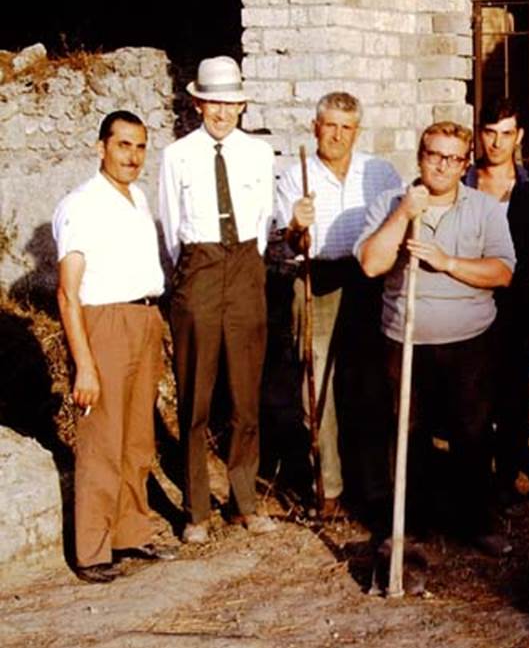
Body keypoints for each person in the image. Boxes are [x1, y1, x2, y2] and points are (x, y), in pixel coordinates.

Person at [354, 121, 516, 555]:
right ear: (420, 156)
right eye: (433, 155)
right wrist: (404, 214)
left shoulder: (484, 208)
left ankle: (477, 520)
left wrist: (447, 263)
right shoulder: (391, 203)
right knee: (408, 432)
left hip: (469, 341)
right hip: (404, 339)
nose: (442, 165)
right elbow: (371, 264)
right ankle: (412, 523)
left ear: (465, 164)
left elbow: (502, 272)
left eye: (453, 158)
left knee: (473, 431)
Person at [54, 111, 178, 583]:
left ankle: (130, 533)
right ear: (101, 146)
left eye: (141, 146)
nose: (132, 156)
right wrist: (84, 365)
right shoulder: (80, 205)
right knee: (102, 439)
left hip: (143, 318)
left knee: (136, 440)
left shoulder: (137, 198)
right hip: (104, 323)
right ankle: (92, 549)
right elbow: (68, 292)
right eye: (123, 145)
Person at [159, 56, 277, 543]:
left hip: (246, 267)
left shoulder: (259, 154)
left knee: (245, 394)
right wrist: (196, 273)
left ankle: (244, 500)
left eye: (230, 104)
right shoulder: (177, 155)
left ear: (243, 104)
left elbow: (266, 222)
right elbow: (170, 228)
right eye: (212, 103)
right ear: (197, 103)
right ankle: (197, 511)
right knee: (196, 395)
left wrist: (245, 265)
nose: (221, 113)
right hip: (199, 272)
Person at [275, 91, 402, 518]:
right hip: (317, 279)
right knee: (318, 386)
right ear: (315, 127)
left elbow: (396, 225)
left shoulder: (380, 172)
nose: (337, 135)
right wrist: (297, 226)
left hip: (367, 280)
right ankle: (328, 486)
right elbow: (288, 244)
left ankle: (374, 486)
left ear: (357, 131)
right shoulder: (297, 176)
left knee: (369, 384)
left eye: (347, 128)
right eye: (330, 126)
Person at [462, 97, 529, 506]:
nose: (496, 143)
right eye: (489, 133)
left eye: (505, 134)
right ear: (479, 134)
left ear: (518, 137)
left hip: (518, 303)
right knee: (474, 391)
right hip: (469, 297)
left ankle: (508, 475)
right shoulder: (464, 181)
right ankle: (474, 474)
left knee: (515, 391)